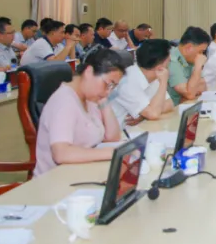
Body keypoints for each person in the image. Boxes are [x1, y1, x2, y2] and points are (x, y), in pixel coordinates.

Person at [33, 47, 127, 176]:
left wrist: (104, 99)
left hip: (80, 172)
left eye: (113, 87)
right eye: (108, 84)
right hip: (56, 179)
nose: (108, 92)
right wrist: (111, 153)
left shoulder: (89, 98)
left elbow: (112, 137)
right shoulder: (64, 101)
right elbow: (61, 154)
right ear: (89, 72)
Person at [109, 39, 175, 127]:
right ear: (160, 67)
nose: (170, 63)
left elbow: (169, 104)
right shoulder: (128, 81)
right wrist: (163, 83)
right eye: (169, 61)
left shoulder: (153, 76)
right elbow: (154, 114)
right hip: (122, 133)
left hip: (140, 129)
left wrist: (144, 115)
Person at [167, 26, 211, 104]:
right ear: (188, 48)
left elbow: (203, 87)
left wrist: (191, 91)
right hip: (173, 109)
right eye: (200, 51)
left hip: (185, 105)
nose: (202, 55)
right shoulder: (171, 60)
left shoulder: (190, 59)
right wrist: (198, 67)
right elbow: (190, 94)